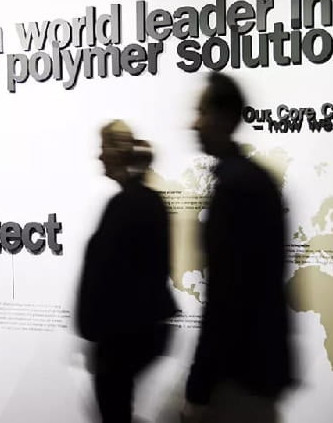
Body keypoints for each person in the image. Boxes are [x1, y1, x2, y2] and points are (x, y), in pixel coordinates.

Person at [182, 72, 293, 422]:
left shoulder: (234, 188)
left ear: (225, 118)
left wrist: (199, 387)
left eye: (202, 112)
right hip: (259, 366)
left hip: (239, 374)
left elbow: (226, 296)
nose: (194, 124)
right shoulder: (257, 180)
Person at [76, 120, 177, 423]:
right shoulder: (149, 201)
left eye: (104, 147)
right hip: (133, 333)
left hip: (121, 338)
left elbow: (109, 276)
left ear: (117, 152)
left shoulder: (125, 205)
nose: (99, 156)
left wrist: (95, 332)